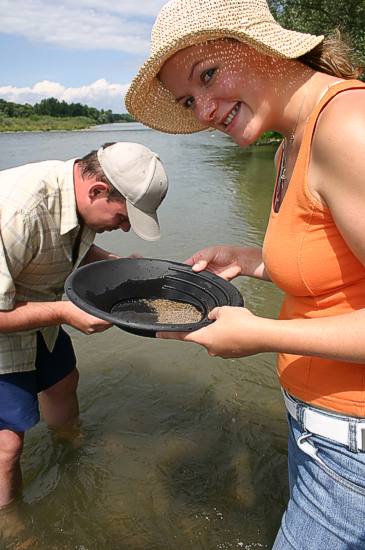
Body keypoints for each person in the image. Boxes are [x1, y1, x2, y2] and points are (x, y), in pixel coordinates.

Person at [125, 0, 365, 548]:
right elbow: (341, 265)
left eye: (208, 75)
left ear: (260, 46)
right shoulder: (290, 145)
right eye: (189, 99)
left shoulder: (348, 126)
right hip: (320, 435)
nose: (204, 110)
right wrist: (256, 260)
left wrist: (260, 336)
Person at [0, 141, 168, 509]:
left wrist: (116, 263)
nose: (124, 228)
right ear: (97, 191)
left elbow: (71, 241)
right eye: (123, 219)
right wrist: (63, 313)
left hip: (34, 299)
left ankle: (69, 447)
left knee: (63, 381)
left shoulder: (76, 195)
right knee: (7, 447)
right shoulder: (17, 212)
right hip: (7, 315)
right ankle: (11, 523)